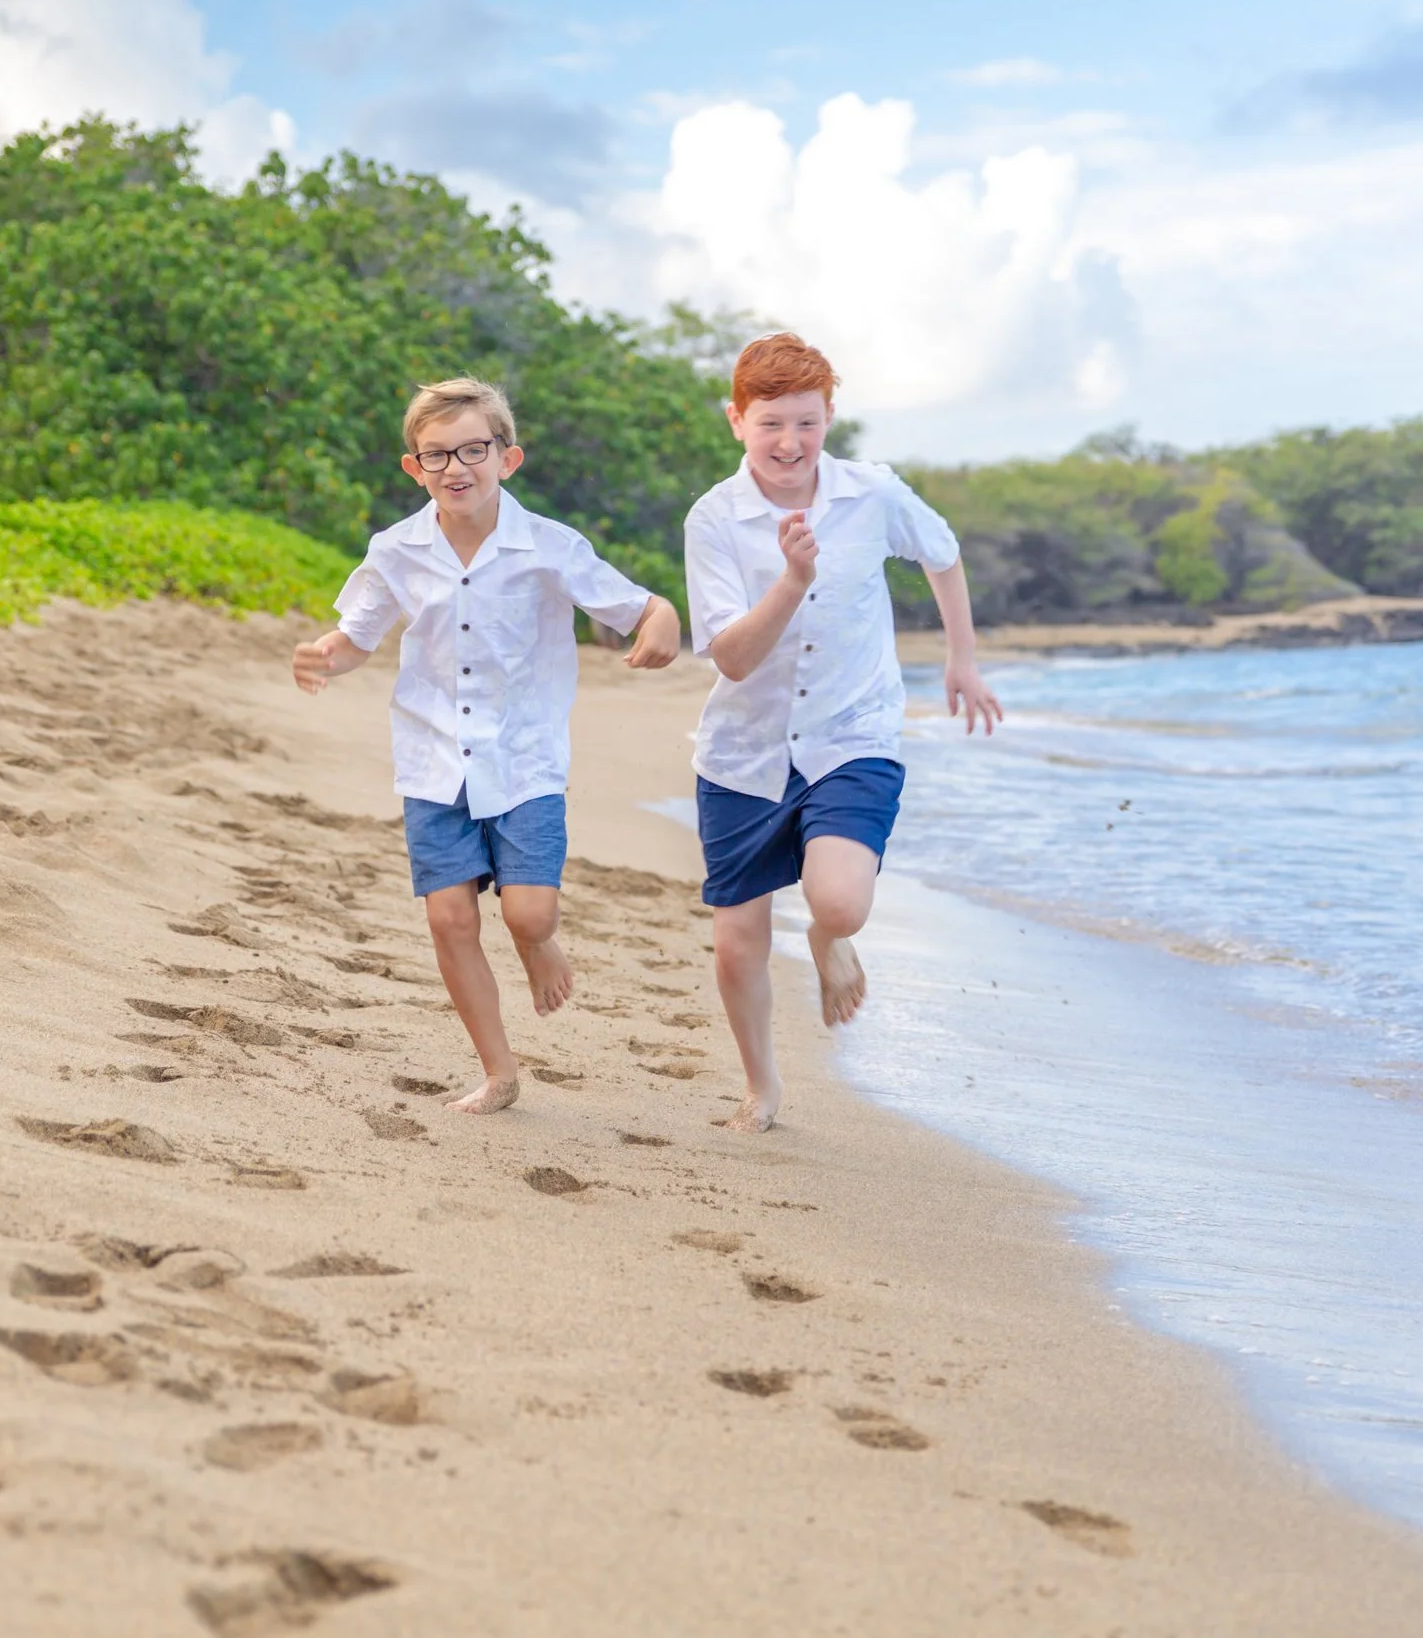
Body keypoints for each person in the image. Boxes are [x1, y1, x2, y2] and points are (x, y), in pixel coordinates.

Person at [293, 377, 681, 1115]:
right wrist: (324, 653)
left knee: (531, 914)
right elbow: (357, 637)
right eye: (436, 455)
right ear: (413, 467)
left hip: (524, 758)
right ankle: (499, 1070)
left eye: (474, 449)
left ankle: (539, 947)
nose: (456, 468)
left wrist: (660, 618)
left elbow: (639, 604)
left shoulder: (550, 547)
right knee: (449, 919)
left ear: (509, 457)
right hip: (433, 758)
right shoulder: (396, 549)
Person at [684, 333, 1003, 1133]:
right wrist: (793, 581)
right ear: (736, 421)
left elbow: (944, 552)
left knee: (842, 901)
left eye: (807, 422)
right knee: (736, 942)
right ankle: (762, 1089)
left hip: (853, 731)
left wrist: (961, 660)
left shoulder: (873, 494)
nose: (790, 443)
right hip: (744, 750)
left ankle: (830, 941)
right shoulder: (715, 519)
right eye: (770, 425)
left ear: (830, 417)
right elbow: (733, 656)